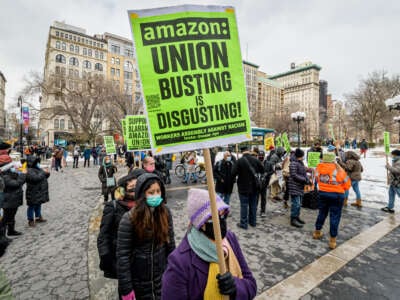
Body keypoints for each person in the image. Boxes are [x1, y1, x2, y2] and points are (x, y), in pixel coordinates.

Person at [161, 188, 257, 299]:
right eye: (213, 218)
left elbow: (251, 285)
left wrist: (235, 287)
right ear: (200, 223)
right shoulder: (179, 262)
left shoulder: (230, 239)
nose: (220, 222)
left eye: (222, 215)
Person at [117, 173, 175, 300]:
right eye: (151, 192)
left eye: (158, 191)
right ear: (142, 195)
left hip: (161, 277)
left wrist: (174, 271)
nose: (156, 195)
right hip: (139, 281)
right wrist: (126, 288)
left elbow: (171, 245)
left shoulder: (165, 213)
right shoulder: (129, 219)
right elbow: (123, 257)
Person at [97, 169, 145, 284]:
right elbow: (103, 236)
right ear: (124, 188)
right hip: (123, 261)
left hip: (143, 261)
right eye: (132, 188)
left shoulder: (144, 204)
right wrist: (110, 262)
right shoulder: (113, 206)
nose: (135, 191)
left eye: (137, 187)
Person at [313, 152, 351, 249]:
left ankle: (317, 232)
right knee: (334, 216)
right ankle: (332, 240)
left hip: (322, 194)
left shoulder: (318, 168)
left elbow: (317, 180)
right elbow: (347, 185)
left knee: (322, 213)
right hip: (337, 196)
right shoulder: (338, 170)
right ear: (333, 159)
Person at [232, 146, 264, 229]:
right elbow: (262, 170)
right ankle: (253, 222)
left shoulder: (239, 161)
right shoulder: (255, 160)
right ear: (249, 151)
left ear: (241, 151)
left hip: (243, 187)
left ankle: (244, 224)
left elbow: (233, 173)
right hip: (254, 187)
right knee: (253, 205)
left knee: (244, 205)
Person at [2, 158, 26, 236]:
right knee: (6, 217)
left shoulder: (10, 173)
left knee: (12, 216)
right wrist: (23, 174)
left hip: (13, 199)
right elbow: (16, 184)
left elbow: (20, 181)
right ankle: (2, 235)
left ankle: (11, 231)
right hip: (9, 199)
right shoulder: (5, 176)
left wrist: (19, 172)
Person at [288, 149, 310, 228]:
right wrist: (304, 179)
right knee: (296, 204)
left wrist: (307, 178)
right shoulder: (293, 163)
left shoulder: (300, 162)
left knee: (299, 203)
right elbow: (294, 175)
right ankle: (293, 219)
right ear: (299, 156)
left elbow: (303, 172)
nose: (303, 157)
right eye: (302, 155)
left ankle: (297, 217)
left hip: (299, 186)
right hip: (294, 186)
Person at [26, 156, 50, 227]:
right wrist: (43, 173)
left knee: (38, 204)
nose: (37, 164)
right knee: (32, 205)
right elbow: (35, 178)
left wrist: (47, 173)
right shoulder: (29, 170)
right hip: (33, 191)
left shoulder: (38, 169)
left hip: (39, 191)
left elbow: (44, 176)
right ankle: (30, 220)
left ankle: (38, 217)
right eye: (36, 162)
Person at [382, 149, 400, 213]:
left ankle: (390, 206)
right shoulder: (396, 160)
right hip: (393, 181)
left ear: (396, 155)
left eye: (393, 155)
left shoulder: (399, 162)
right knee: (391, 194)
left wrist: (389, 167)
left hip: (397, 182)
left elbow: (397, 171)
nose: (392, 156)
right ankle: (390, 207)